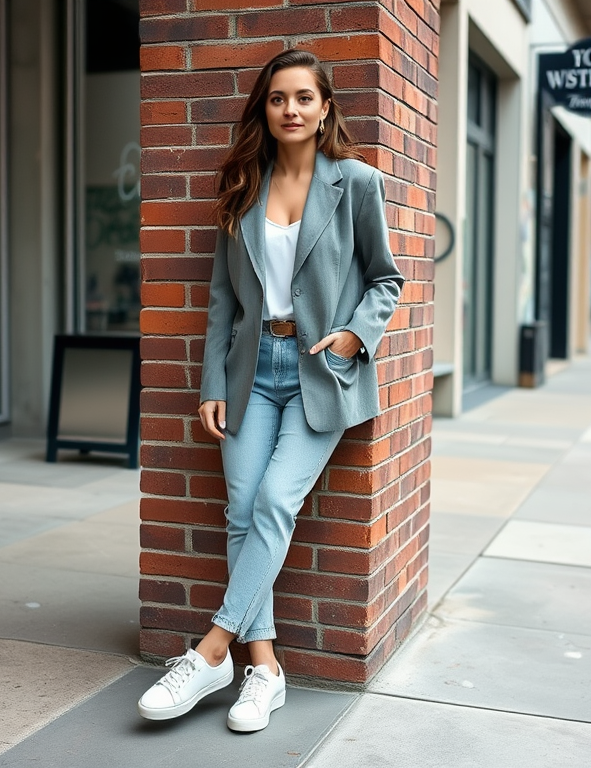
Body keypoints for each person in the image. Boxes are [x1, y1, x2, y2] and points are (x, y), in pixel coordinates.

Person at [137, 49, 403, 732]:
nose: (292, 109)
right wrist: (210, 383)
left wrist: (353, 335)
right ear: (265, 108)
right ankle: (265, 670)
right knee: (240, 510)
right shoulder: (243, 188)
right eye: (279, 98)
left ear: (325, 109)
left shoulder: (357, 183)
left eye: (305, 98)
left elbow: (387, 280)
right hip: (250, 372)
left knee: (276, 503)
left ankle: (211, 649)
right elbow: (221, 299)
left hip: (320, 371)